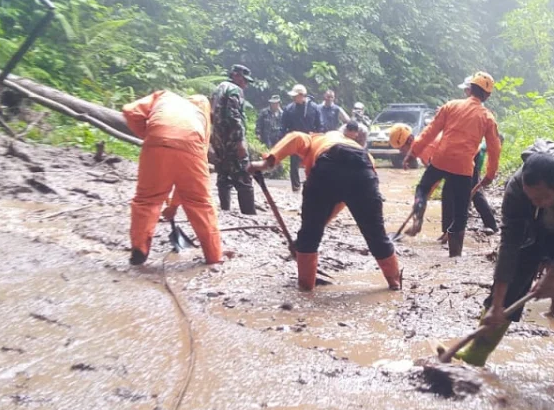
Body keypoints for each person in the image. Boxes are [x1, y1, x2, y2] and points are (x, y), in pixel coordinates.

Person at [455, 140, 554, 377]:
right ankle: (477, 353)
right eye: (531, 199)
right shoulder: (518, 189)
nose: (534, 202)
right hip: (536, 228)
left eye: (540, 198)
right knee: (512, 283)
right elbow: (509, 244)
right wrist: (497, 305)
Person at [248, 130, 402, 291]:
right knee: (376, 234)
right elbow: (341, 199)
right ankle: (395, 283)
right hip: (364, 170)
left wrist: (268, 162)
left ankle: (305, 289)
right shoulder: (358, 149)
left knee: (309, 236)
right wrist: (316, 226)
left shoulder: (315, 139)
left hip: (327, 164)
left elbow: (295, 137)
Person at [402, 72, 502, 257]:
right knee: (461, 213)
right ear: (487, 95)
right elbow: (494, 148)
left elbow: (430, 131)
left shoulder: (451, 106)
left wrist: (413, 152)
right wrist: (490, 174)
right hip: (463, 167)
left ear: (469, 89)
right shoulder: (487, 117)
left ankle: (419, 211)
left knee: (423, 189)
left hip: (440, 159)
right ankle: (455, 255)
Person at [122, 91, 223, 266]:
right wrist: (174, 206)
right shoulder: (202, 117)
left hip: (156, 144)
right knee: (200, 203)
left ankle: (139, 248)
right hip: (191, 149)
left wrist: (148, 135)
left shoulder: (163, 95)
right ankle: (213, 256)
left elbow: (130, 111)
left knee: (147, 200)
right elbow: (187, 181)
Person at [211, 64, 256, 214]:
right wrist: (240, 141)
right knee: (244, 176)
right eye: (244, 80)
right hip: (232, 141)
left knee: (223, 174)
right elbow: (234, 116)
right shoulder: (235, 90)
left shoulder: (219, 88)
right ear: (236, 76)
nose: (246, 84)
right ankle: (249, 212)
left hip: (219, 140)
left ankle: (225, 210)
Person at [282, 84, 323, 191]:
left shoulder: (314, 108)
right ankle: (295, 187)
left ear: (302, 95)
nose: (293, 98)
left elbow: (320, 125)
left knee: (312, 163)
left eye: (296, 96)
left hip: (310, 140)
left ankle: (311, 185)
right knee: (294, 165)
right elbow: (283, 127)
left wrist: (315, 134)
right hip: (295, 140)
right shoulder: (289, 109)